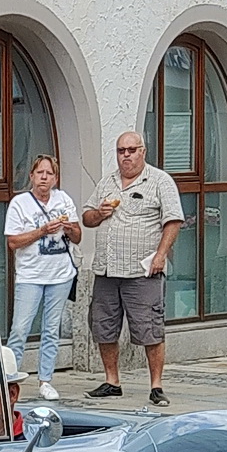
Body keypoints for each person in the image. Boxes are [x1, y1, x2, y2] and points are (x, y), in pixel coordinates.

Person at [81, 131, 184, 406]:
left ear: (143, 151)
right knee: (103, 325)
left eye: (131, 150)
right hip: (106, 270)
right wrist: (98, 213)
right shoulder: (107, 182)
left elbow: (173, 220)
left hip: (142, 270)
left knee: (149, 328)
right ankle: (112, 381)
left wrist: (161, 255)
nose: (125, 156)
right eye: (121, 151)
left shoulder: (160, 181)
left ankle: (156, 385)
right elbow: (87, 218)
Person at [5, 154, 81, 401]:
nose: (44, 178)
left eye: (49, 174)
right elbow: (13, 242)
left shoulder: (64, 200)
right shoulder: (19, 204)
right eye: (40, 173)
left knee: (51, 329)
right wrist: (41, 231)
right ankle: (10, 379)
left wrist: (70, 228)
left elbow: (79, 236)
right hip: (30, 275)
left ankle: (46, 380)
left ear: (55, 178)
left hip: (60, 275)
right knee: (20, 329)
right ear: (31, 176)